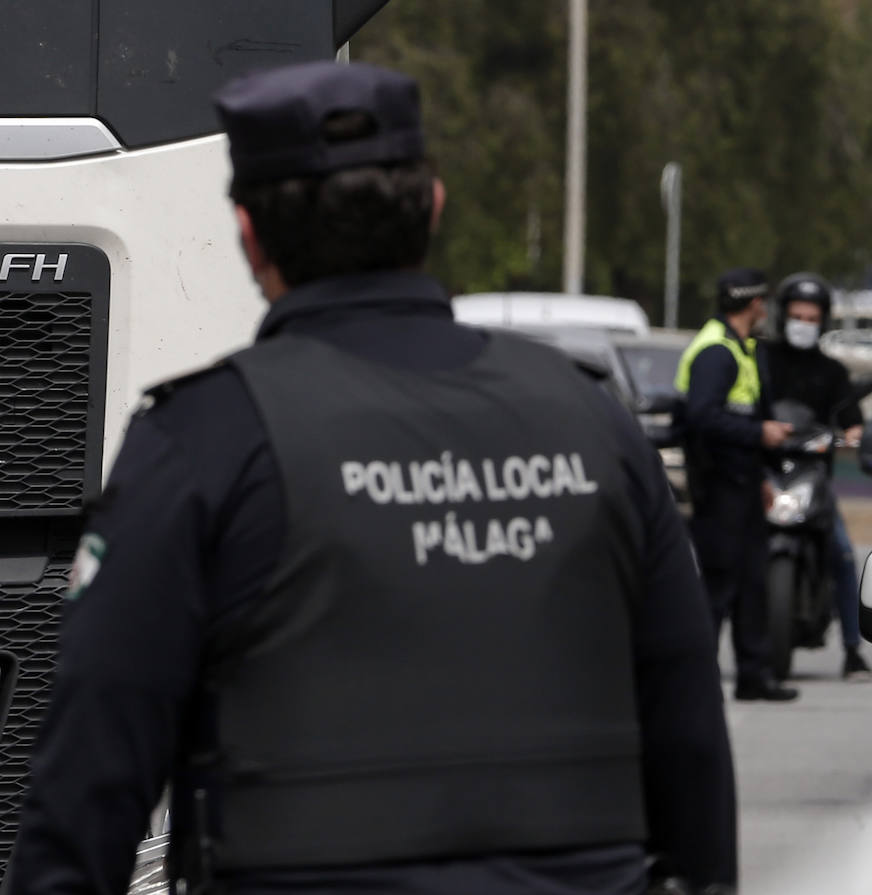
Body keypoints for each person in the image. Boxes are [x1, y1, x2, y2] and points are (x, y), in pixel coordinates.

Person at [8, 61, 737, 895]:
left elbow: (88, 780)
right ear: (433, 206)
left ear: (249, 236)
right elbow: (691, 741)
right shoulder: (594, 424)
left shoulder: (201, 444)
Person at [675, 269, 799, 702]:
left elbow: (740, 412)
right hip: (718, 489)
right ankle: (697, 683)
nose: (765, 309)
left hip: (743, 486)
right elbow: (701, 417)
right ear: (752, 305)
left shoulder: (741, 348)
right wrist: (759, 434)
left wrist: (763, 474)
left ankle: (754, 676)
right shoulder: (716, 352)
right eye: (762, 302)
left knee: (752, 586)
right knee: (718, 589)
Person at [759, 273, 872, 682]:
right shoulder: (762, 360)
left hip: (813, 479)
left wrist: (854, 434)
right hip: (766, 474)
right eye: (796, 316)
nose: (803, 323)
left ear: (822, 321)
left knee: (843, 554)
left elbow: (852, 420)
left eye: (811, 317)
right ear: (782, 316)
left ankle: (853, 650)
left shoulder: (832, 372)